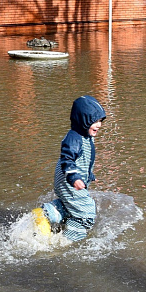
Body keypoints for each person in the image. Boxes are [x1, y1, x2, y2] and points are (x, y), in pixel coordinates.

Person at [33, 95, 106, 241]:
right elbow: (67, 158)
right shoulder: (74, 138)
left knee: (74, 205)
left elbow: (85, 159)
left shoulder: (85, 135)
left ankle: (47, 213)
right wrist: (74, 177)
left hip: (71, 178)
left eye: (100, 121)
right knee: (86, 212)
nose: (99, 125)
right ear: (83, 120)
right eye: (95, 121)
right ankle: (67, 241)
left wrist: (88, 175)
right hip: (68, 179)